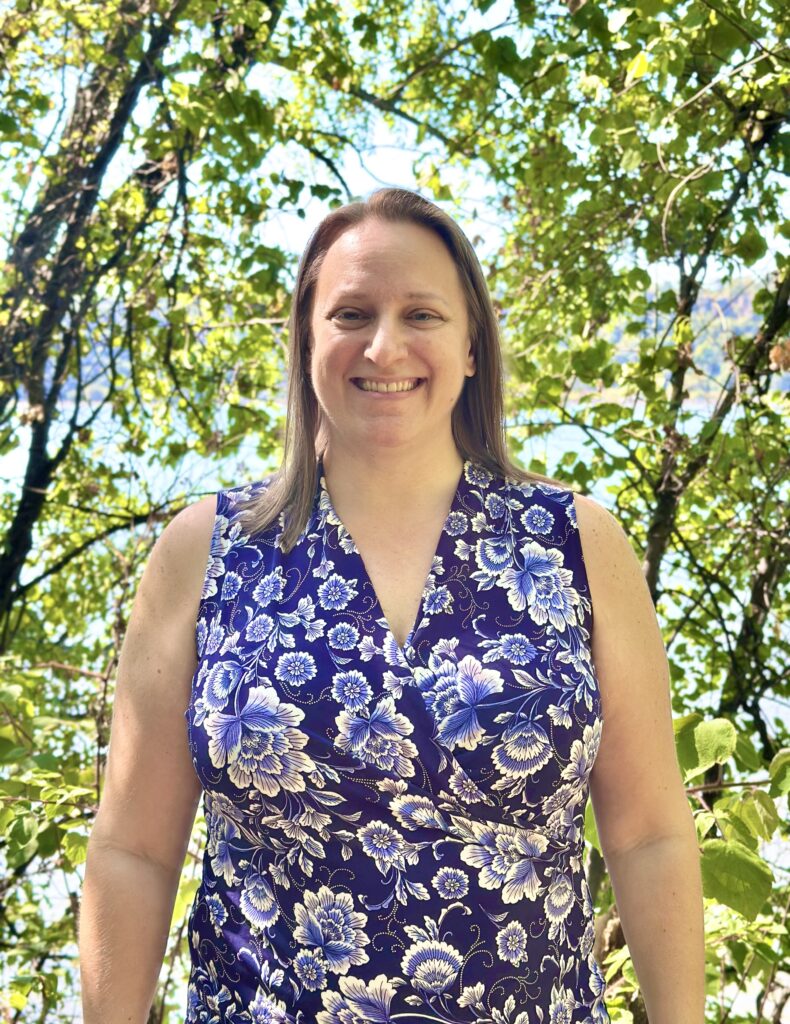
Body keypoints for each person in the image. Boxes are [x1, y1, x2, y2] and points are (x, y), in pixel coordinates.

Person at [79, 187, 705, 1023]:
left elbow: (648, 837)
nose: (384, 345)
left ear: (472, 346)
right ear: (306, 339)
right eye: (350, 314)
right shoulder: (208, 549)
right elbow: (134, 850)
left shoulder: (578, 545)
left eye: (422, 314)